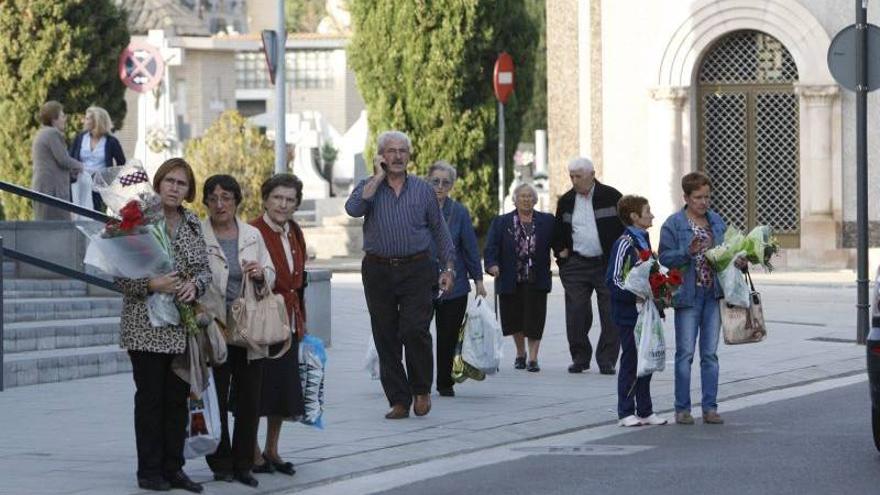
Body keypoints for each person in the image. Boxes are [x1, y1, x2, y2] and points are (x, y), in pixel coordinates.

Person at [115, 158, 211, 493]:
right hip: (145, 326)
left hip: (180, 326)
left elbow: (204, 269)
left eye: (181, 183)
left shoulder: (192, 222)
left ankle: (175, 468)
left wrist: (194, 286)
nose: (174, 187)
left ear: (189, 190)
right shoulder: (137, 218)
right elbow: (119, 272)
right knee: (151, 399)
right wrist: (151, 285)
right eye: (169, 180)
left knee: (176, 400)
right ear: (157, 183)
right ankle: (149, 471)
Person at [345, 130, 455, 420]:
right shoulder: (368, 187)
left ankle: (421, 389)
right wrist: (377, 177)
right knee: (385, 336)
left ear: (409, 156)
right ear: (381, 156)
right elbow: (353, 209)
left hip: (417, 268)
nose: (396, 156)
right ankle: (398, 400)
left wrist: (448, 267)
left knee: (414, 329)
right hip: (378, 269)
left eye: (402, 151)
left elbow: (440, 231)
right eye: (390, 151)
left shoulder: (422, 189)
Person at [199, 175, 275, 487]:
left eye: (226, 197)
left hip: (249, 327)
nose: (220, 204)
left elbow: (270, 272)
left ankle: (244, 463)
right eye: (213, 198)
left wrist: (260, 275)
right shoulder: (197, 233)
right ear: (205, 202)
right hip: (213, 326)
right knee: (214, 397)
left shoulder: (252, 235)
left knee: (249, 399)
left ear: (236, 201)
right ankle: (221, 461)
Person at [659, 171, 738, 426]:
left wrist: (739, 259)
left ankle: (710, 408)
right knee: (685, 354)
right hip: (688, 295)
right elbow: (664, 257)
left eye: (707, 197)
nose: (704, 202)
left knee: (710, 354)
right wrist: (687, 251)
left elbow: (727, 251)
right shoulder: (674, 223)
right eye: (698, 198)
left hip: (712, 293)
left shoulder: (715, 221)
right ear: (686, 197)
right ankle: (682, 408)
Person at [250, 174, 307, 475]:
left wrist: (303, 322)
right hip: (262, 319)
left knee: (283, 390)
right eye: (278, 198)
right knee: (258, 389)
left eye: (289, 199)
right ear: (266, 199)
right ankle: (252, 450)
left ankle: (272, 449)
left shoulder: (294, 230)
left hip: (290, 319)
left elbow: (300, 278)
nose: (283, 204)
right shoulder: (253, 230)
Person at [554, 157, 624, 375]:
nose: (574, 181)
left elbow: (625, 228)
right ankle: (580, 357)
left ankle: (607, 360)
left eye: (579, 176)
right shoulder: (566, 200)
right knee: (576, 313)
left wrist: (622, 259)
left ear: (592, 175)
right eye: (571, 176)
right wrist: (561, 254)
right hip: (576, 264)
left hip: (606, 264)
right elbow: (558, 230)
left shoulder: (612, 196)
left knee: (611, 313)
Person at [606, 195, 668, 427]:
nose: (651, 215)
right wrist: (636, 294)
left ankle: (645, 409)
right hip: (629, 312)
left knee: (647, 358)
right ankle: (625, 410)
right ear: (634, 216)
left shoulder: (644, 240)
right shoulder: (624, 242)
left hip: (646, 310)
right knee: (632, 358)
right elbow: (613, 279)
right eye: (647, 211)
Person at [426, 160, 486, 397]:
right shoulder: (418, 207)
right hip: (422, 282)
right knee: (418, 333)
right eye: (436, 181)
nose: (440, 186)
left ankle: (444, 382)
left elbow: (470, 247)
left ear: (452, 186)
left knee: (448, 336)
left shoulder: (459, 212)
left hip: (455, 285)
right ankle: (420, 383)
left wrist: (478, 280)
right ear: (428, 181)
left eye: (446, 183)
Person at [484, 183, 555, 372]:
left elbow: (558, 241)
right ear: (514, 200)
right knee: (514, 318)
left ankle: (533, 358)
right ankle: (520, 353)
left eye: (529, 196)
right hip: (510, 276)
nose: (526, 199)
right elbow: (491, 247)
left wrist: (564, 253)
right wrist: (492, 265)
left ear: (535, 200)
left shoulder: (547, 221)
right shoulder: (501, 222)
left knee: (535, 318)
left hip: (536, 277)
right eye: (522, 196)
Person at [31, 100, 84, 220]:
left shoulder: (42, 133)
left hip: (44, 187)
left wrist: (72, 171)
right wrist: (81, 166)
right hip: (52, 190)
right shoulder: (52, 133)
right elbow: (63, 160)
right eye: (62, 115)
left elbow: (53, 161)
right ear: (54, 119)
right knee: (57, 230)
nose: (64, 119)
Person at [69, 105, 126, 212]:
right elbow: (70, 158)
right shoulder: (80, 138)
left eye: (87, 118)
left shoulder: (111, 142)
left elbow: (122, 164)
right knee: (78, 214)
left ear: (97, 121)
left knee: (95, 215)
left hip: (99, 187)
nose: (84, 121)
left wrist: (111, 180)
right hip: (80, 183)